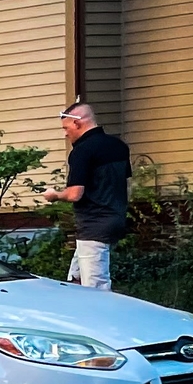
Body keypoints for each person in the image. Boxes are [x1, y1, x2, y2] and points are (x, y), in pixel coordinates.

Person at [48, 103, 129, 289]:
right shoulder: (119, 146)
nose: (65, 134)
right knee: (75, 278)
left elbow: (75, 193)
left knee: (95, 285)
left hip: (94, 224)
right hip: (115, 218)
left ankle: (101, 316)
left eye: (66, 128)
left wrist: (55, 195)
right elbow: (126, 184)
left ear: (78, 124)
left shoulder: (82, 151)